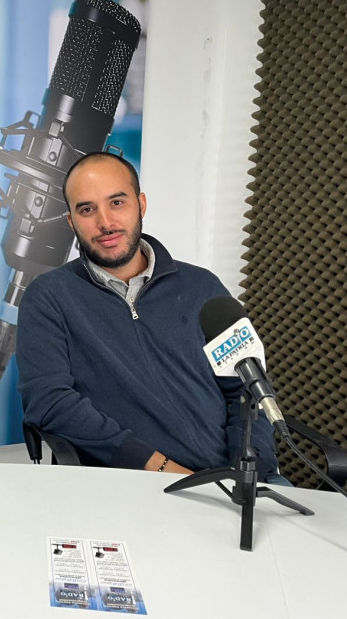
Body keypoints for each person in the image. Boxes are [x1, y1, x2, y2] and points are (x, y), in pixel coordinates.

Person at [17, 152, 281, 481]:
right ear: (71, 221)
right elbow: (51, 403)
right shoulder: (49, 297)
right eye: (87, 209)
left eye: (117, 202)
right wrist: (164, 470)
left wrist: (250, 468)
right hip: (137, 483)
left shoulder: (203, 287)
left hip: (236, 479)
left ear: (140, 205)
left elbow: (247, 390)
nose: (104, 222)